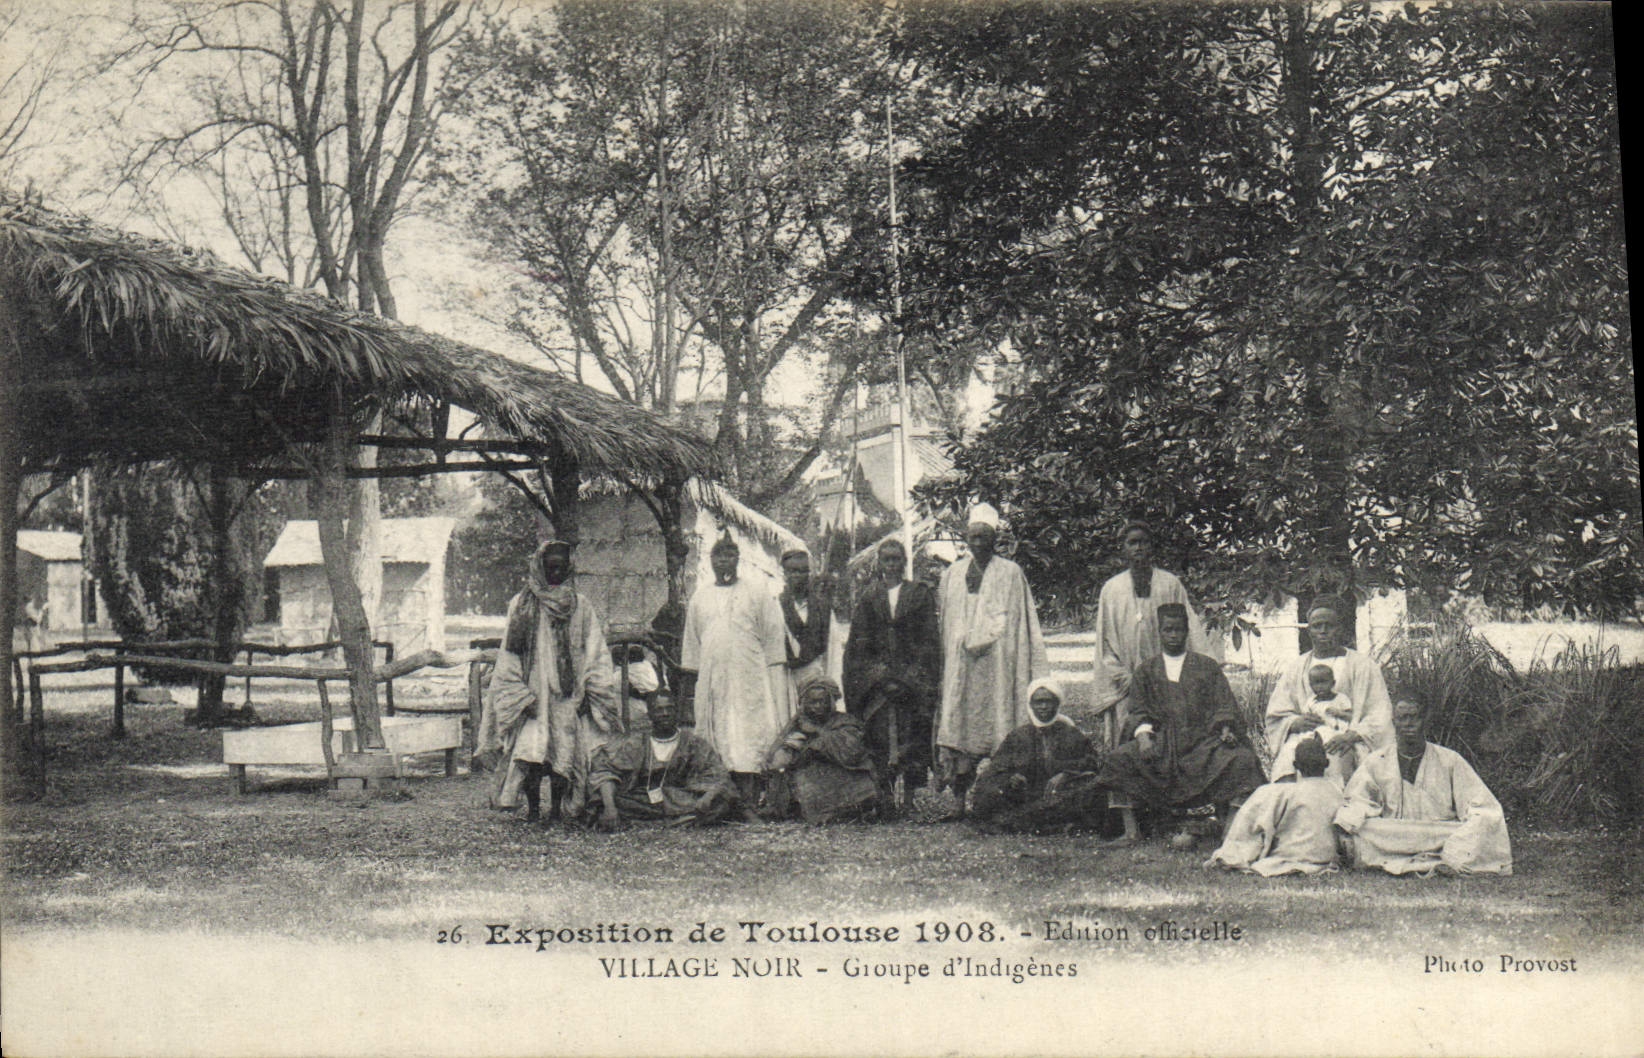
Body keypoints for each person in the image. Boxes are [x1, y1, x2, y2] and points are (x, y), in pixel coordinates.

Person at [1095, 603, 1266, 845]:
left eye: (1178, 630)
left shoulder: (1206, 666)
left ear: (1187, 632)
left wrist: (1226, 728)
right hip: (1162, 743)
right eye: (1168, 630)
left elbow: (1224, 704)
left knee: (1243, 761)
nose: (1173, 635)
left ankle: (1230, 829)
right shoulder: (1146, 670)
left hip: (1203, 742)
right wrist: (1144, 737)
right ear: (1160, 633)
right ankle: (1131, 831)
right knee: (1118, 760)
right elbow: (1138, 710)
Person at [477, 538, 620, 823]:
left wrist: (591, 694)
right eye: (550, 567)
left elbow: (595, 651)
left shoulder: (580, 606)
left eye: (561, 568)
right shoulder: (522, 605)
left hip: (568, 695)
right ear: (540, 567)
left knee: (562, 751)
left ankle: (556, 810)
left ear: (568, 570)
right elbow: (510, 654)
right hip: (533, 692)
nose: (555, 574)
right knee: (531, 753)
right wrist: (519, 697)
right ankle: (532, 809)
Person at [935, 503, 1048, 820]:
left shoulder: (1010, 574)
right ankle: (958, 802)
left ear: (995, 538)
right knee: (959, 728)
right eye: (973, 536)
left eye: (985, 536)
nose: (978, 542)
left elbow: (1022, 624)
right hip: (962, 668)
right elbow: (947, 621)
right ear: (966, 538)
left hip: (999, 666)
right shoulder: (953, 575)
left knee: (1000, 726)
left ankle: (1000, 801)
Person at [1334, 698, 1512, 876]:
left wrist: (1474, 825)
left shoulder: (1450, 760)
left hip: (1438, 833)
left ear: (1425, 721)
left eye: (1414, 717)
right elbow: (1357, 799)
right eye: (1402, 718)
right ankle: (1438, 860)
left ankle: (1445, 857)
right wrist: (1349, 819)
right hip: (1393, 833)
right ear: (1393, 722)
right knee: (1364, 828)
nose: (1408, 724)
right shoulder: (1376, 760)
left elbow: (1482, 805)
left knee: (1484, 821)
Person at [679, 534, 791, 808]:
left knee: (747, 734)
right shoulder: (700, 598)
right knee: (717, 733)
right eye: (719, 556)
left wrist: (772, 680)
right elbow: (692, 647)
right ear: (711, 560)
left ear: (738, 560)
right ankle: (720, 799)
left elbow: (773, 638)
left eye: (730, 555)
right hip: (713, 679)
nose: (725, 561)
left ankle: (750, 800)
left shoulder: (757, 592)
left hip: (749, 677)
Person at [843, 537, 941, 814]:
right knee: (879, 738)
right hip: (878, 684)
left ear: (904, 562)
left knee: (913, 736)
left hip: (912, 683)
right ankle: (885, 797)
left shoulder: (920, 594)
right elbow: (859, 641)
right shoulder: (869, 597)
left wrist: (909, 677)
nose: (891, 564)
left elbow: (928, 640)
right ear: (879, 563)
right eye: (886, 558)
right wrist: (880, 675)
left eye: (896, 558)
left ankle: (909, 799)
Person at [1091, 520, 1207, 746]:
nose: (1138, 549)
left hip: (1167, 679)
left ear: (1152, 547)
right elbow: (1104, 642)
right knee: (1129, 738)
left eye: (1143, 542)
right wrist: (1127, 678)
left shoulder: (1169, 584)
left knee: (1168, 738)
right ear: (1123, 548)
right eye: (1132, 543)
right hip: (1126, 683)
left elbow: (1188, 628)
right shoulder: (1111, 590)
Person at [1264, 595, 1393, 783]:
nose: (1323, 631)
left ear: (1340, 629)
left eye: (1329, 625)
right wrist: (1295, 722)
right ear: (1309, 631)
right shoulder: (1296, 668)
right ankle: (1294, 809)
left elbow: (1380, 713)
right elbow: (1277, 713)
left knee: (1333, 760)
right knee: (1286, 763)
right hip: (1304, 738)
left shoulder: (1363, 666)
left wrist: (1352, 735)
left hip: (1346, 740)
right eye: (1317, 626)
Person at [970, 678, 1104, 834]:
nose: (1044, 707)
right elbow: (997, 766)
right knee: (988, 789)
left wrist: (1066, 774)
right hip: (1027, 795)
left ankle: (1027, 824)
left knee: (1090, 790)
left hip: (1061, 793)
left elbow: (1092, 763)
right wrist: (1011, 777)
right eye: (1039, 702)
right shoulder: (1018, 735)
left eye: (1048, 702)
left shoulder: (1071, 733)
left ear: (1057, 704)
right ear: (1031, 705)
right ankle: (1051, 826)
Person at [588, 693, 738, 829]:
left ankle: (654, 822)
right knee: (610, 801)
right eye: (658, 710)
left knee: (720, 803)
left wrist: (707, 798)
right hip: (643, 801)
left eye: (669, 709)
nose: (665, 714)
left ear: (676, 712)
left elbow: (719, 776)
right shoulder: (636, 743)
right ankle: (683, 821)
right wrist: (610, 808)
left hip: (683, 800)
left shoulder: (693, 743)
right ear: (650, 714)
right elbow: (606, 771)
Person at [1207, 736, 1344, 875]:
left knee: (1258, 814)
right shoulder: (1338, 793)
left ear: (1295, 765)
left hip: (1289, 856)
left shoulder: (1283, 793)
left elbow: (1255, 822)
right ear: (1327, 763)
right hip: (1326, 857)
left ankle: (1233, 854)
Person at [761, 675, 880, 824]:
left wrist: (817, 734)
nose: (817, 707)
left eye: (821, 701)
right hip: (810, 773)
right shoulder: (800, 722)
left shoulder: (845, 722)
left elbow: (852, 753)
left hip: (842, 773)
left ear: (831, 701)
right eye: (812, 702)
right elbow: (783, 746)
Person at [777, 547, 829, 701]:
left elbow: (831, 651)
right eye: (792, 571)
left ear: (809, 574)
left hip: (817, 679)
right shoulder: (775, 606)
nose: (797, 575)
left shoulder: (822, 607)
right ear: (784, 574)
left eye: (802, 571)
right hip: (785, 679)